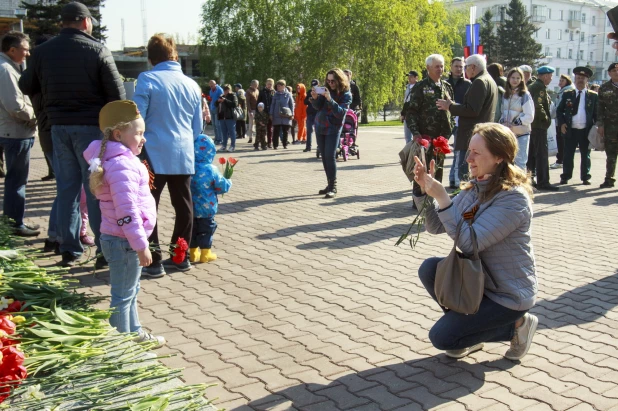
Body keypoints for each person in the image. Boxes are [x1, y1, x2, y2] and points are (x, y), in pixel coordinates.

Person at [414, 122, 537, 361]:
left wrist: (442, 197)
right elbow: (435, 226)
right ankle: (472, 331)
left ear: (499, 157)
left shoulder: (513, 200)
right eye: (469, 150)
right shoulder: (475, 187)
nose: (468, 158)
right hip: (481, 282)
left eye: (476, 153)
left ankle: (519, 325)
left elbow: (470, 243)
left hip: (507, 294)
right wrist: (423, 191)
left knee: (442, 338)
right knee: (430, 269)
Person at [19, 1, 125, 267]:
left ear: (63, 23)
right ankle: (104, 250)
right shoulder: (97, 49)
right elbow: (117, 94)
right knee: (96, 190)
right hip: (90, 128)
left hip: (58, 127)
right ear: (85, 21)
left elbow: (26, 84)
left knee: (66, 189)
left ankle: (69, 250)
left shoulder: (42, 52)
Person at [84, 100, 165, 346]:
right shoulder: (121, 166)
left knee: (131, 292)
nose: (144, 139)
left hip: (122, 240)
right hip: (124, 241)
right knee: (122, 295)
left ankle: (133, 333)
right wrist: (141, 245)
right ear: (118, 134)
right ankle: (121, 346)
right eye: (138, 133)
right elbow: (126, 211)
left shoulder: (119, 161)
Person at [133, 34, 202, 276]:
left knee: (147, 206)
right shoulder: (192, 84)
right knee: (184, 206)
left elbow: (137, 119)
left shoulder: (147, 79)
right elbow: (198, 128)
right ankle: (180, 256)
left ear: (151, 58)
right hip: (183, 153)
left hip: (152, 154)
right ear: (174, 55)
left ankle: (153, 261)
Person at [0, 31, 39, 237]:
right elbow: (15, 105)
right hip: (15, 132)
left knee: (15, 180)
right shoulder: (6, 69)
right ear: (12, 49)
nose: (28, 53)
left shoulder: (8, 67)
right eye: (25, 49)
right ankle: (15, 224)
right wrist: (36, 115)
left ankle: (13, 221)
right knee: (17, 181)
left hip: (13, 131)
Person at [437, 54, 498, 183]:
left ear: (473, 67)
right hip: (481, 132)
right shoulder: (489, 80)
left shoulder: (479, 82)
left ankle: (463, 198)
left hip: (470, 133)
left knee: (464, 171)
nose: (465, 71)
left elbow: (472, 110)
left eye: (466, 67)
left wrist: (450, 106)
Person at [406, 55, 454, 185]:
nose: (440, 69)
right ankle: (420, 202)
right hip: (425, 137)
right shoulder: (420, 86)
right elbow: (411, 112)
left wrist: (449, 130)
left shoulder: (447, 86)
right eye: (436, 66)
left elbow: (452, 111)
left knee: (437, 169)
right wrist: (416, 133)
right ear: (428, 68)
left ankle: (436, 200)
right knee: (422, 170)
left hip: (441, 138)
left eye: (442, 66)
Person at [189, 135, 232, 263]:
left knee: (193, 229)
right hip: (207, 208)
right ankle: (205, 254)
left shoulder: (189, 168)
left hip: (191, 207)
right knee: (207, 230)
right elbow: (221, 186)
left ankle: (192, 253)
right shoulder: (211, 169)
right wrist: (228, 181)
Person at [310, 69, 352, 198]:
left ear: (339, 80)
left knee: (330, 156)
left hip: (333, 127)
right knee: (324, 156)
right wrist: (315, 98)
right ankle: (329, 184)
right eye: (328, 81)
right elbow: (318, 107)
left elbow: (340, 113)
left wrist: (330, 99)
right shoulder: (325, 90)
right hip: (319, 126)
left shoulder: (346, 94)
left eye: (333, 81)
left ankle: (333, 186)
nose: (330, 83)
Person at [557, 66, 598, 186]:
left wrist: (597, 126)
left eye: (583, 78)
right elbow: (559, 111)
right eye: (578, 78)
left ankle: (585, 177)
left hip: (586, 129)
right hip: (571, 129)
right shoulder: (568, 94)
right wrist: (562, 123)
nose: (580, 80)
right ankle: (565, 176)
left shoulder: (593, 96)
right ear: (575, 79)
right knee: (568, 154)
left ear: (587, 80)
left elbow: (596, 113)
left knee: (586, 155)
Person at [526, 66, 559, 191]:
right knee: (542, 154)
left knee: (532, 155)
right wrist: (546, 119)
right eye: (550, 76)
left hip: (533, 126)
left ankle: (530, 179)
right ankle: (543, 181)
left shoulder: (534, 86)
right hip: (538, 126)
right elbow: (538, 106)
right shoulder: (539, 87)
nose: (551, 78)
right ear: (545, 76)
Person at [499, 67, 535, 171]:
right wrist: (502, 121)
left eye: (518, 78)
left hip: (521, 133)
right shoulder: (505, 95)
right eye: (513, 77)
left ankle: (521, 186)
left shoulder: (524, 95)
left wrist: (517, 122)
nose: (515, 80)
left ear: (521, 80)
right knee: (507, 162)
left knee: (520, 163)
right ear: (508, 79)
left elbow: (530, 115)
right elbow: (503, 112)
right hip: (508, 133)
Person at [446, 59, 471, 189]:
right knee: (440, 148)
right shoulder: (445, 83)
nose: (458, 69)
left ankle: (455, 179)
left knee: (459, 151)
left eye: (461, 67)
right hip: (446, 119)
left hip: (461, 120)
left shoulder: (467, 84)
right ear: (450, 67)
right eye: (456, 66)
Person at [597, 62, 618, 189]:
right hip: (611, 127)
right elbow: (600, 108)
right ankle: (609, 179)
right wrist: (600, 124)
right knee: (611, 154)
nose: (617, 72)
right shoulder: (604, 88)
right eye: (614, 71)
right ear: (609, 73)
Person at [550, 74, 574, 170]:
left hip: (562, 120)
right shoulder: (562, 91)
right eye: (559, 80)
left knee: (561, 141)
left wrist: (552, 115)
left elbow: (559, 107)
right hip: (560, 120)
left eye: (562, 81)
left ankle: (560, 161)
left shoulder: (566, 91)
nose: (560, 83)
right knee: (561, 141)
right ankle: (561, 160)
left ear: (567, 81)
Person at [269, 80, 294, 150]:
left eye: (279, 86)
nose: (278, 87)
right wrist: (271, 114)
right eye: (277, 86)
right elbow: (272, 105)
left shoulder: (288, 94)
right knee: (276, 131)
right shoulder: (275, 94)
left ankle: (285, 144)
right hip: (276, 115)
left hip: (286, 115)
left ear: (283, 86)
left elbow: (291, 105)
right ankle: (275, 145)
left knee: (285, 131)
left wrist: (292, 114)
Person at [217, 84, 239, 152]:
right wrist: (218, 101)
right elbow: (216, 104)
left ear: (230, 89)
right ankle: (224, 145)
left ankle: (232, 146)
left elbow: (234, 104)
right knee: (224, 132)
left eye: (227, 90)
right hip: (222, 116)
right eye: (224, 90)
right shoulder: (222, 96)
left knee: (231, 132)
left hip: (230, 116)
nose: (225, 91)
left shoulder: (233, 95)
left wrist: (225, 100)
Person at [400, 70, 419, 144]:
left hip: (415, 113)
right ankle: (409, 153)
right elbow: (406, 101)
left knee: (416, 135)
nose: (409, 78)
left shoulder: (419, 87)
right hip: (407, 113)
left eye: (411, 77)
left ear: (416, 77)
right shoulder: (407, 87)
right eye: (409, 77)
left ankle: (416, 152)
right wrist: (403, 113)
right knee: (407, 137)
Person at [258, 78, 275, 148]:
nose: (269, 85)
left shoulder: (274, 92)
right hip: (264, 112)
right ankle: (263, 142)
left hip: (271, 112)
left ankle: (269, 142)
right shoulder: (262, 92)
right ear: (266, 84)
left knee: (270, 129)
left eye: (271, 84)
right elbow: (258, 102)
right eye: (268, 84)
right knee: (263, 129)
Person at [304, 79, 319, 153]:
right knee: (309, 130)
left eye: (315, 85)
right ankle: (308, 147)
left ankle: (319, 147)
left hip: (317, 113)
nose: (314, 87)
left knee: (318, 131)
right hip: (310, 113)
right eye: (313, 86)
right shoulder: (309, 92)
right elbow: (305, 101)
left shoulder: (320, 92)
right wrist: (309, 100)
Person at [246, 80, 259, 144]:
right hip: (252, 110)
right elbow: (247, 102)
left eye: (257, 85)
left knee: (257, 124)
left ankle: (257, 137)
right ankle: (250, 137)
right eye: (255, 85)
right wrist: (250, 110)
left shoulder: (257, 90)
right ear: (252, 84)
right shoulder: (248, 91)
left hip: (258, 110)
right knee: (251, 124)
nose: (257, 86)